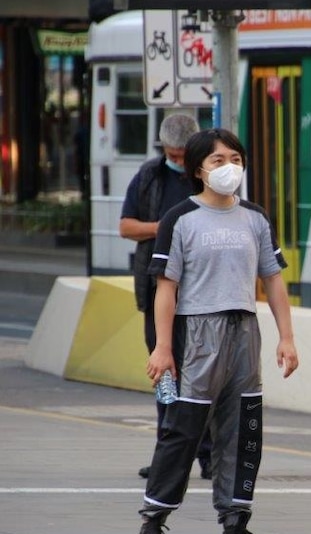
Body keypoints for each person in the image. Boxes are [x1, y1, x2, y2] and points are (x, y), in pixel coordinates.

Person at [132, 128, 299, 534]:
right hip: (196, 333)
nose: (229, 167)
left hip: (244, 330)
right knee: (182, 429)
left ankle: (235, 525)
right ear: (198, 170)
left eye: (236, 158)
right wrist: (163, 347)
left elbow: (273, 280)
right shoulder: (180, 219)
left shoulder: (255, 217)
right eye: (219, 160)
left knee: (243, 430)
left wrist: (287, 337)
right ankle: (152, 522)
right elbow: (165, 289)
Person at [119, 113, 213, 481]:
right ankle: (168, 454)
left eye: (181, 154)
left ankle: (207, 455)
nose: (176, 159)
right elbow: (126, 226)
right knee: (166, 375)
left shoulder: (207, 176)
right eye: (170, 153)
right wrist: (164, 227)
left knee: (201, 378)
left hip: (201, 294)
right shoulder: (148, 176)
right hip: (157, 289)